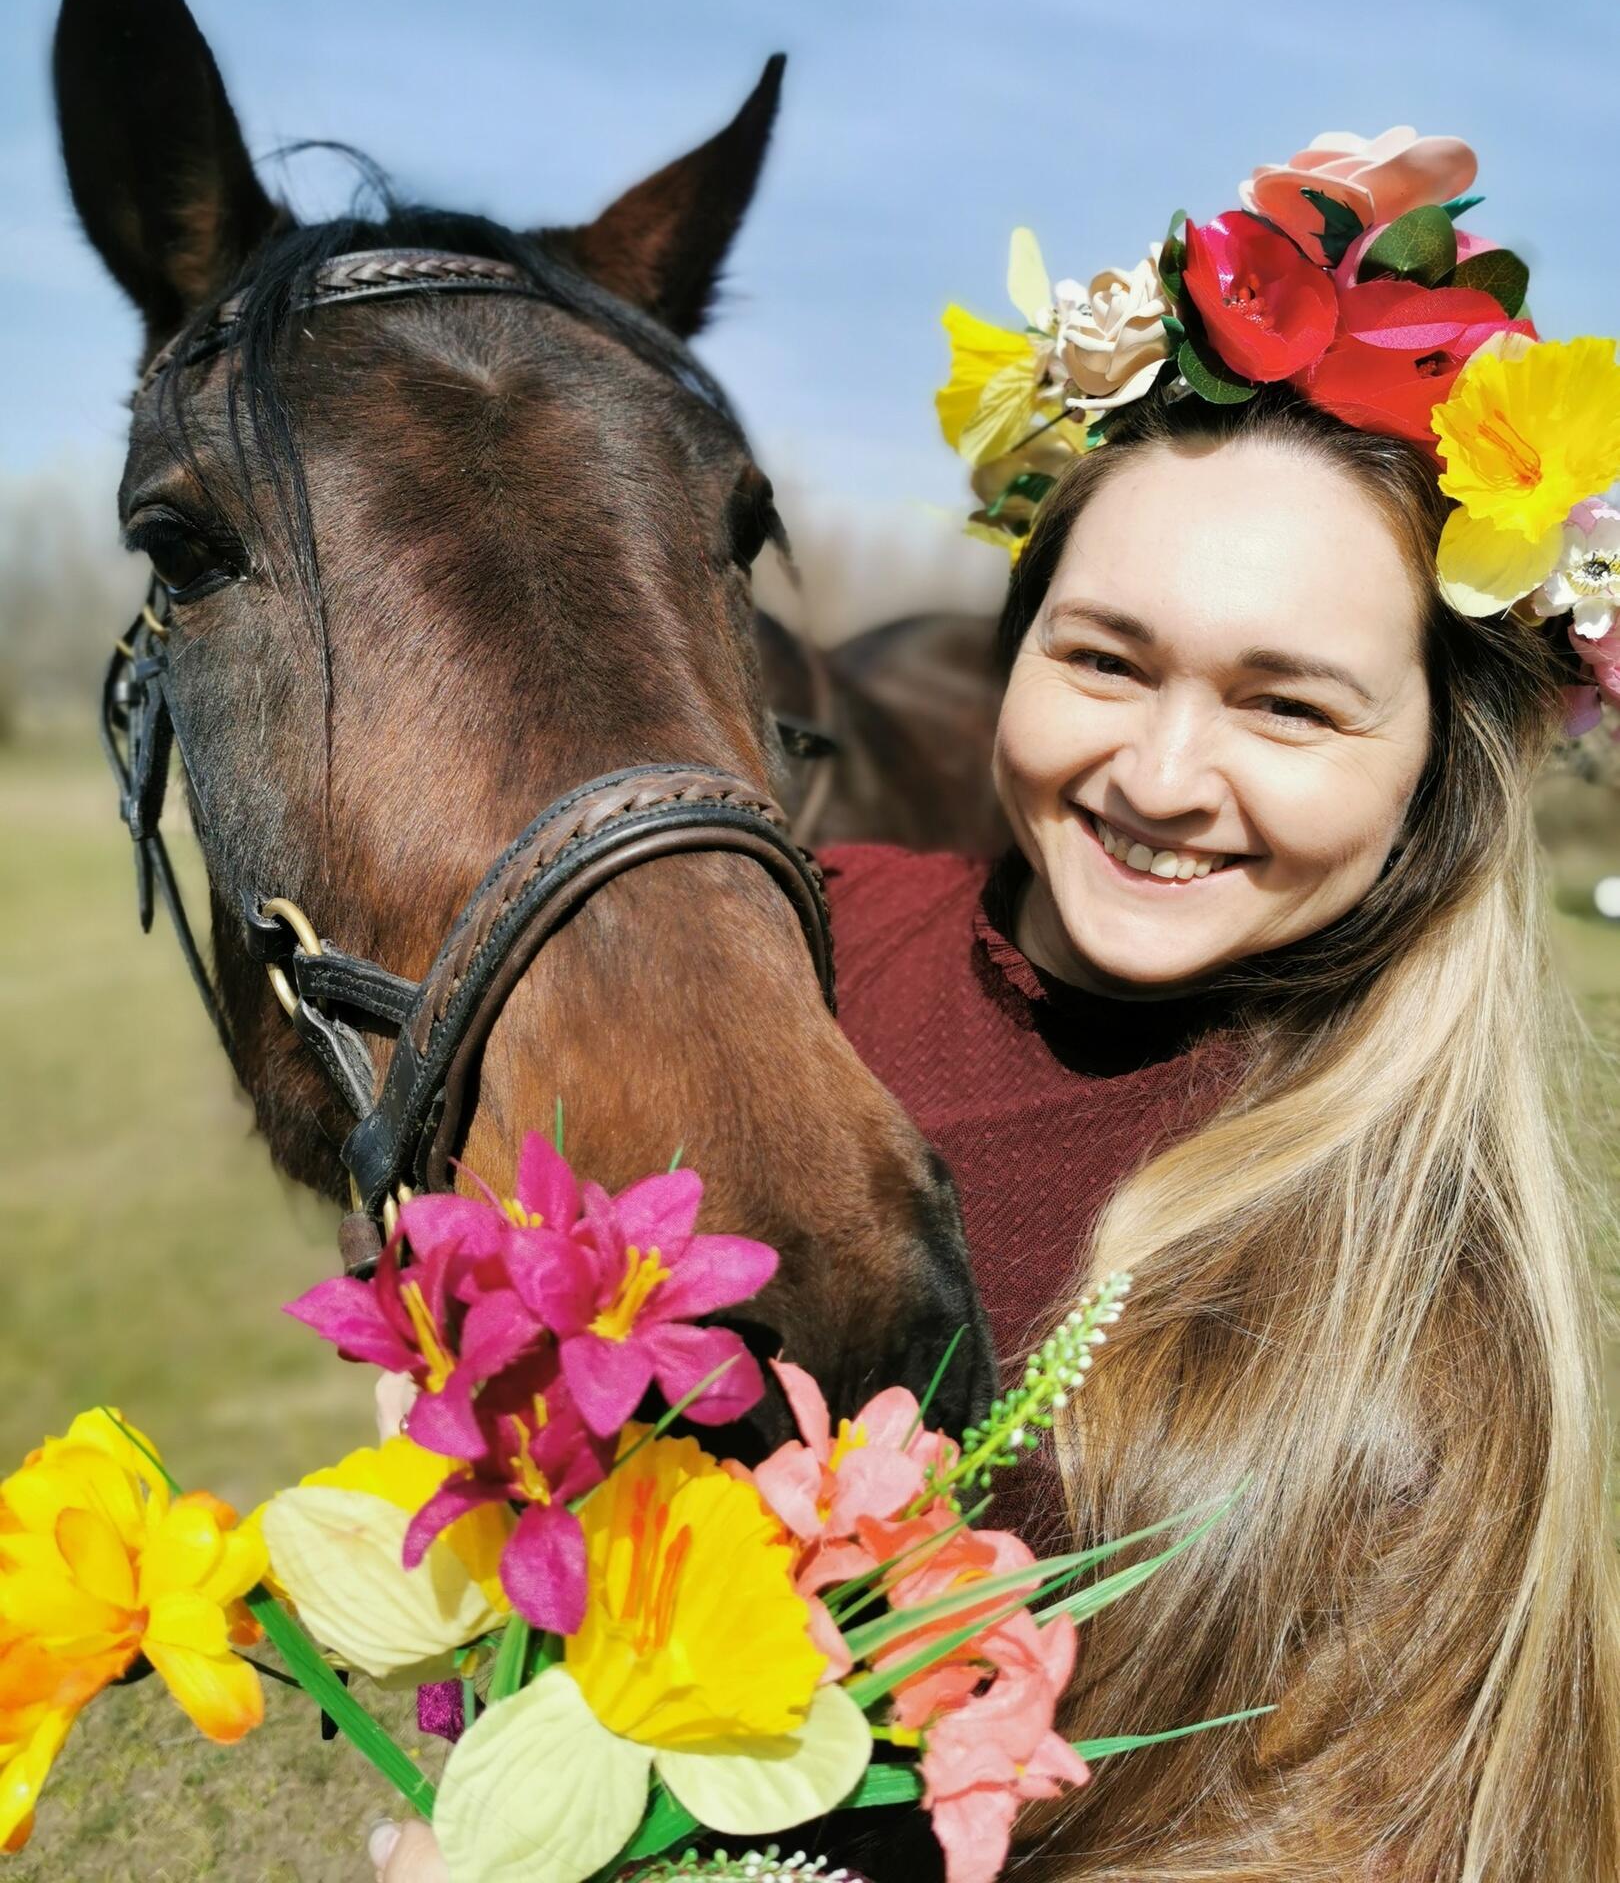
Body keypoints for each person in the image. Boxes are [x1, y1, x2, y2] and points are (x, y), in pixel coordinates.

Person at [368, 143, 1620, 1879]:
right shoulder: (800, 945)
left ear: (1437, 776)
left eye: (1291, 707)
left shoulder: (1416, 1347)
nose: (1163, 774)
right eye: (1105, 658)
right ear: (1016, 645)